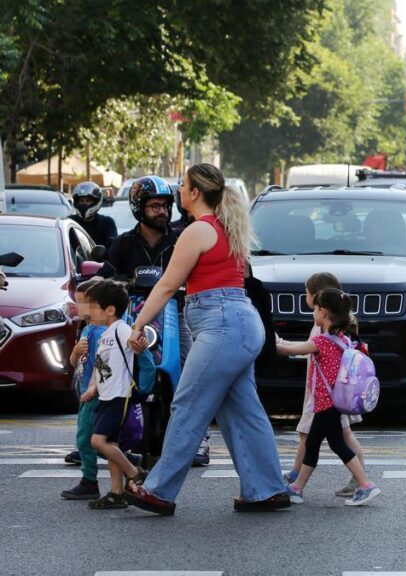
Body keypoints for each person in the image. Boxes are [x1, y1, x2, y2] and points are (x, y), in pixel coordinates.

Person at [124, 163, 289, 516]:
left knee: (187, 404)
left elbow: (167, 285)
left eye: (182, 185)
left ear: (195, 192)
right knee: (242, 410)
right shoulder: (228, 225)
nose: (178, 191)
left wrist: (137, 325)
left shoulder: (198, 230)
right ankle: (266, 490)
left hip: (223, 325)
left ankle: (158, 491)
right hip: (240, 323)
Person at [98, 176, 210, 467]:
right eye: (155, 206)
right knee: (108, 362)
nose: (162, 211)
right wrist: (106, 279)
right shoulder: (122, 243)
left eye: (166, 205)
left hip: (178, 311)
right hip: (133, 314)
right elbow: (107, 274)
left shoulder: (183, 238)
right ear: (139, 208)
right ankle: (100, 434)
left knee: (192, 367)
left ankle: (200, 437)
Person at [275, 288, 381, 506]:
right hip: (331, 403)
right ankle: (296, 488)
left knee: (338, 445)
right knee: (312, 445)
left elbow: (293, 350)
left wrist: (272, 344)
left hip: (327, 404)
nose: (313, 312)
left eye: (315, 309)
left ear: (322, 312)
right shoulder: (342, 339)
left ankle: (365, 484)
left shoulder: (322, 342)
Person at [82, 279, 147, 510]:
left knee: (98, 441)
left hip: (120, 396)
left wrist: (140, 342)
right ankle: (117, 493)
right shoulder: (104, 335)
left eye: (93, 306)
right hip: (105, 396)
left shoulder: (122, 329)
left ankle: (133, 471)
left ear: (110, 310)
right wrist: (92, 390)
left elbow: (138, 342)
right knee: (111, 443)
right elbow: (101, 368)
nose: (88, 312)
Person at [60, 278, 106, 501]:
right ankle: (130, 466)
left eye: (81, 302)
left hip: (95, 394)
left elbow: (103, 364)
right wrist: (76, 352)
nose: (76, 307)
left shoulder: (102, 332)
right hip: (85, 394)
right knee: (97, 439)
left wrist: (93, 388)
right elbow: (72, 363)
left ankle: (90, 481)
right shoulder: (87, 329)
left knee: (85, 439)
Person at [70, 182, 117, 249]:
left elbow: (113, 247)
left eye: (88, 200)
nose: (84, 204)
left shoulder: (107, 223)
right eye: (81, 201)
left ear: (96, 201)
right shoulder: (69, 222)